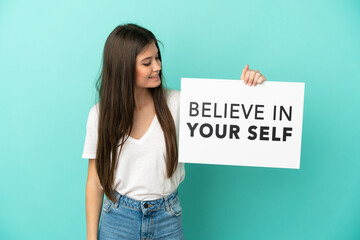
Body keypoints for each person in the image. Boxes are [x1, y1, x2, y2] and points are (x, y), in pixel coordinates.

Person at [82, 23, 266, 240]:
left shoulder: (179, 104)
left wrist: (250, 88)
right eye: (147, 62)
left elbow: (229, 116)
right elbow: (95, 182)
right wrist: (91, 237)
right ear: (123, 68)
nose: (157, 67)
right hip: (118, 220)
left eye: (157, 58)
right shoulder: (100, 115)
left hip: (166, 218)